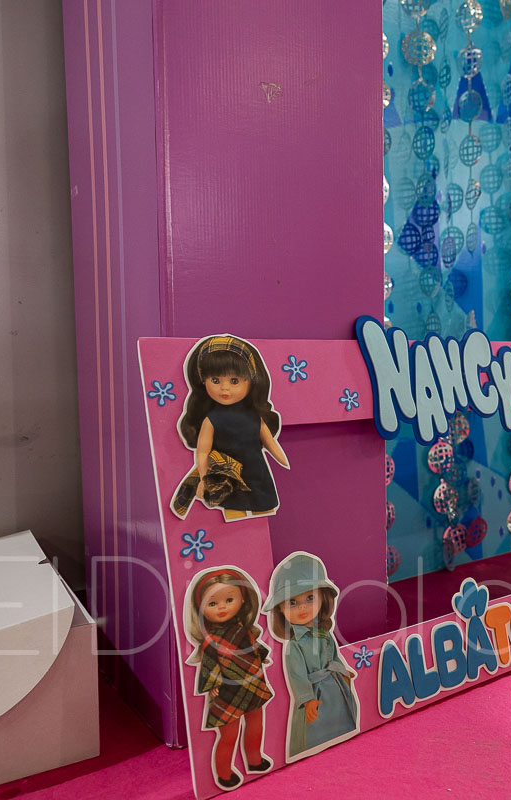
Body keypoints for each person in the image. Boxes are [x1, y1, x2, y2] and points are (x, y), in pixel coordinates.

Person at [173, 334, 288, 521]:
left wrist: (282, 459)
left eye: (234, 381)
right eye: (215, 380)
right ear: (203, 380)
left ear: (251, 381)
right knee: (234, 514)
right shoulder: (211, 420)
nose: (224, 389)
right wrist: (204, 478)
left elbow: (269, 442)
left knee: (263, 511)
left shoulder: (254, 416)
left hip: (256, 472)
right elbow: (202, 452)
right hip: (227, 475)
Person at [183, 567, 274, 791]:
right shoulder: (211, 640)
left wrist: (261, 656)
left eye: (229, 600)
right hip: (227, 689)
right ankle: (223, 773)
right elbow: (209, 663)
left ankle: (254, 759)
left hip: (253, 683)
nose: (222, 607)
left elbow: (253, 648)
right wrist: (212, 683)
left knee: (256, 724)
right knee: (228, 734)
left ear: (242, 599)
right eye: (212, 603)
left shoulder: (244, 629)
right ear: (201, 608)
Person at [265, 552, 359, 760]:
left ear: (322, 598)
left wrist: (343, 672)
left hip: (335, 688)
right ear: (280, 609)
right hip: (315, 695)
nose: (303, 608)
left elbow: (334, 656)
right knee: (313, 731)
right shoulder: (295, 645)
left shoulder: (324, 633)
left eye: (310, 598)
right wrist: (307, 699)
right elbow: (297, 676)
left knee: (342, 720)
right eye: (292, 602)